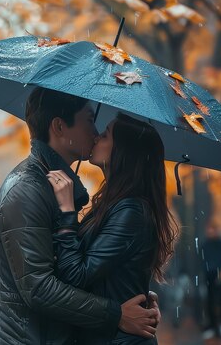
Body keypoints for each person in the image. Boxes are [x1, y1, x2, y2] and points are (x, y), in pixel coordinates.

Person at [0, 88, 161, 345]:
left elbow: (83, 269)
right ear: (59, 126)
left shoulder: (59, 189)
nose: (95, 133)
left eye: (103, 131)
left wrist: (136, 292)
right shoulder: (27, 190)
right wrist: (117, 314)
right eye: (90, 121)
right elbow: (39, 288)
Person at [47, 113, 179, 344]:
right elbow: (109, 272)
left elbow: (76, 275)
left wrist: (67, 212)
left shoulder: (131, 211)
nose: (96, 137)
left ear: (124, 152)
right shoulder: (114, 203)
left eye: (106, 135)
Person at [200, 223, 221, 339]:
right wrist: (205, 270)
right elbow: (201, 259)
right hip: (209, 276)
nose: (210, 232)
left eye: (212, 230)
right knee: (210, 302)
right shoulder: (205, 245)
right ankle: (212, 327)